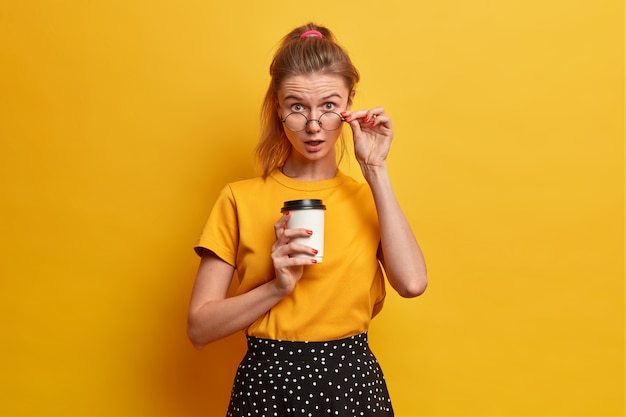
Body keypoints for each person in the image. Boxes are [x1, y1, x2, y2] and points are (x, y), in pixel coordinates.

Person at [187, 22, 428, 417]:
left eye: (329, 106)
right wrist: (277, 287)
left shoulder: (369, 197)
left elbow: (413, 283)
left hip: (352, 385)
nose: (314, 125)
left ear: (350, 102)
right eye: (297, 106)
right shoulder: (238, 198)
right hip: (266, 387)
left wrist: (376, 169)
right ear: (278, 107)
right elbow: (199, 328)